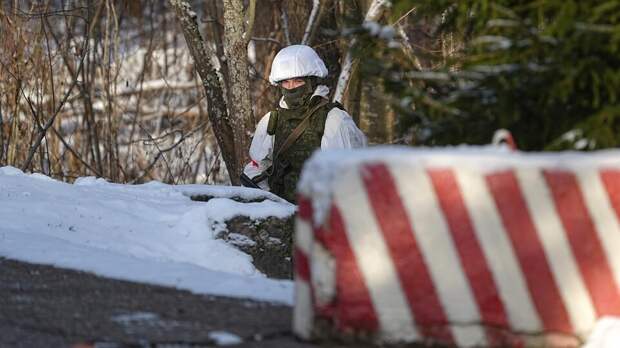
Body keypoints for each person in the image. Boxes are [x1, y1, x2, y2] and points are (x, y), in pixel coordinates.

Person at [241, 44, 366, 203]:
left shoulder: (334, 119)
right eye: (286, 82)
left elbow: (348, 176)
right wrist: (270, 204)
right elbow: (256, 168)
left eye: (298, 81)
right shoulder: (271, 120)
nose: (291, 87)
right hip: (281, 214)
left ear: (311, 82)